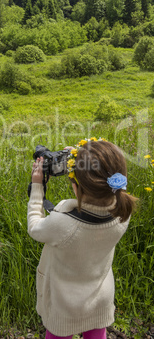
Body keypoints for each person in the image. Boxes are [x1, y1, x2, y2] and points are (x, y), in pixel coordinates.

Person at [27, 139, 137, 339]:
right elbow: (109, 164)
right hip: (99, 299)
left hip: (64, 306)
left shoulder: (62, 223)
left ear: (76, 188)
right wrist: (84, 153)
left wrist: (37, 189)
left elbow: (34, 227)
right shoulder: (123, 213)